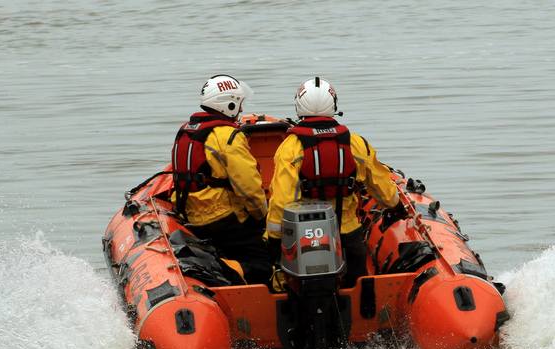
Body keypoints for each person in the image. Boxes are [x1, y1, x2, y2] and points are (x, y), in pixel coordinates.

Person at [266, 77, 406, 287]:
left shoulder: (290, 148)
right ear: (334, 105)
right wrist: (397, 207)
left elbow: (282, 200)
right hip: (348, 233)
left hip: (307, 237)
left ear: (299, 106)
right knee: (357, 287)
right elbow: (380, 184)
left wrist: (275, 239)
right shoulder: (355, 142)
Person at [170, 74, 270, 284]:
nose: (241, 110)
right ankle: (224, 269)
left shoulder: (186, 131)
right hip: (224, 219)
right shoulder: (229, 136)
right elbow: (249, 187)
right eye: (239, 104)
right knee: (264, 264)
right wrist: (263, 217)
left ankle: (214, 261)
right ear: (230, 104)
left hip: (191, 216)